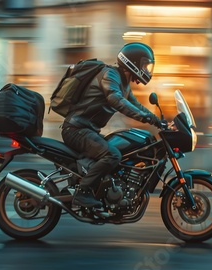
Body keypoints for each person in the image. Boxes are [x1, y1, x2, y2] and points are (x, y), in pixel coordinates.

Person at [61, 42, 162, 208]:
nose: (146, 70)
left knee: (120, 151)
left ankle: (102, 191)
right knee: (112, 155)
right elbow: (116, 99)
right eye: (144, 65)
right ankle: (82, 193)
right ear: (133, 63)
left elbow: (137, 106)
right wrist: (144, 117)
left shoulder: (124, 84)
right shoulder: (110, 74)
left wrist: (157, 120)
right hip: (76, 130)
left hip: (87, 130)